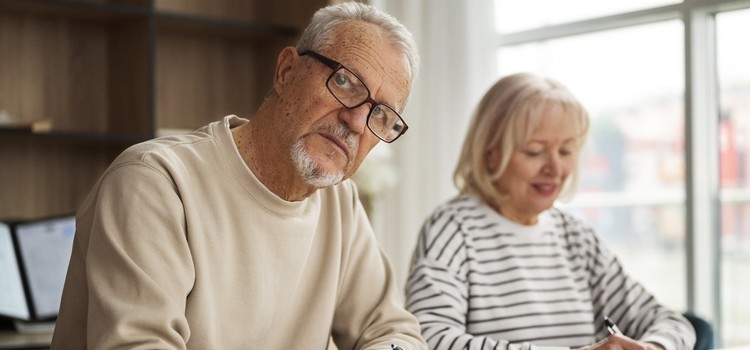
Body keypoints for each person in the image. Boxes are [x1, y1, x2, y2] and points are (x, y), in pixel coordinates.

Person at [51, 2, 426, 349]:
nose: (358, 122)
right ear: (287, 71)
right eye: (345, 82)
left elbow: (394, 332)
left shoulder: (339, 204)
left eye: (381, 115)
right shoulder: (155, 184)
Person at [405, 73, 696, 350]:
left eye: (566, 151)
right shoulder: (451, 230)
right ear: (490, 153)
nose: (556, 169)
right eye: (535, 151)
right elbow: (429, 339)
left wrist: (651, 346)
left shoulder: (576, 237)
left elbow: (673, 324)